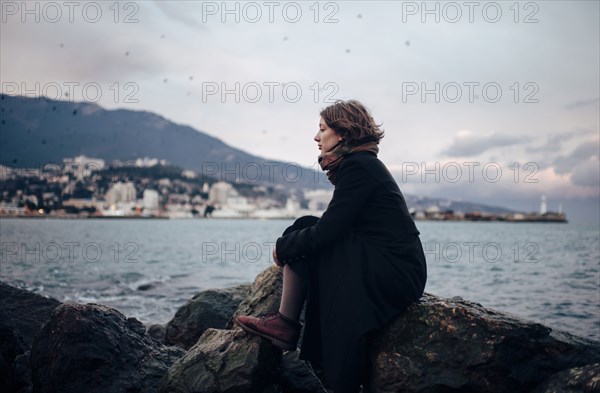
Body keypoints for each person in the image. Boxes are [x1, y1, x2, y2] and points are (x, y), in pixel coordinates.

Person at [236, 99, 427, 392]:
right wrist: (291, 242)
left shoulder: (360, 167)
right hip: (386, 261)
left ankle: (330, 369)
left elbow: (329, 231)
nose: (316, 137)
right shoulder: (359, 165)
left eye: (322, 129)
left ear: (344, 134)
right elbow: (330, 227)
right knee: (303, 226)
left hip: (396, 269)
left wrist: (282, 248)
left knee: (307, 235)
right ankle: (286, 323)